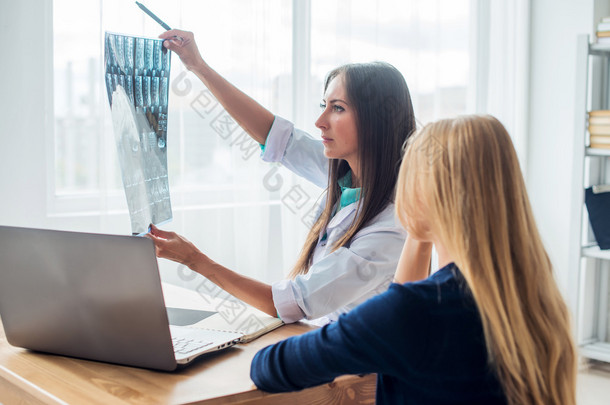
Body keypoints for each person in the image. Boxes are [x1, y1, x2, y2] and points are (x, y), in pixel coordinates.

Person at [250, 115, 577, 405]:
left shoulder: (418, 310)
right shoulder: (531, 296)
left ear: (424, 196)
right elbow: (401, 316)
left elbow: (271, 368)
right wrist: (419, 234)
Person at [147, 30, 429, 324]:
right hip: (325, 339)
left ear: (376, 121)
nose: (320, 122)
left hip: (363, 364)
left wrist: (194, 259)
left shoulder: (391, 226)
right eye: (325, 105)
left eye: (338, 108)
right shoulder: (346, 173)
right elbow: (276, 136)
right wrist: (198, 66)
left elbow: (289, 303)